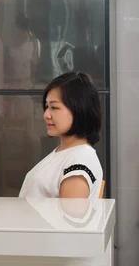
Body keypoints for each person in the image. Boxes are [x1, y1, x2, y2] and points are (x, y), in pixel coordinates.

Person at [19, 71, 103, 199]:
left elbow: (71, 218)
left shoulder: (80, 161)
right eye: (47, 107)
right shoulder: (66, 152)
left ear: (79, 109)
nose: (46, 114)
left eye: (54, 108)